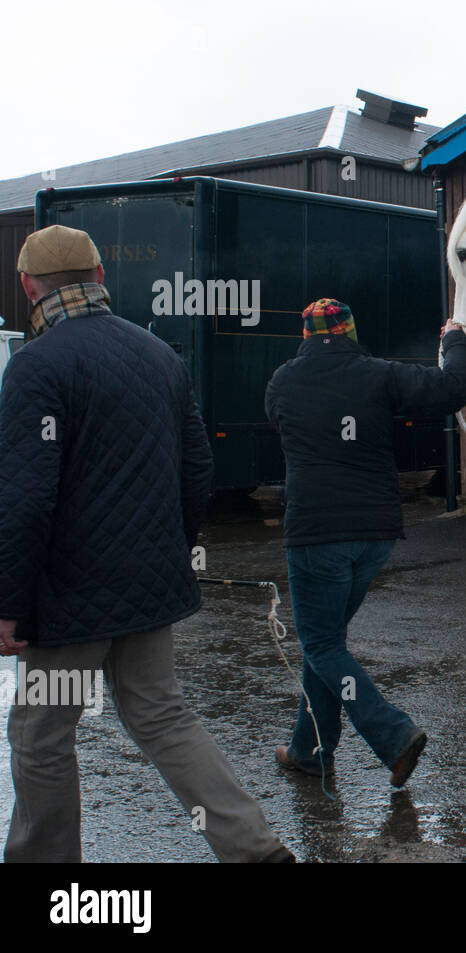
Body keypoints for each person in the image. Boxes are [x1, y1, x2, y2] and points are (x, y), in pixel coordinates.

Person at [0, 225, 293, 863]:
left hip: (68, 602)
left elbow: (26, 499)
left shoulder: (35, 366)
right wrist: (170, 554)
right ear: (100, 277)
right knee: (163, 717)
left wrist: (9, 603)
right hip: (147, 589)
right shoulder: (160, 357)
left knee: (42, 736)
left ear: (28, 287)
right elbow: (198, 473)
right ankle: (255, 850)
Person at [265, 298, 466, 788]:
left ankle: (393, 735)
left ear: (305, 335)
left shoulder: (282, 382)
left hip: (317, 534)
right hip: (376, 535)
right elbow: (452, 389)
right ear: (350, 331)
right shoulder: (380, 374)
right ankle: (309, 750)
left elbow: (280, 423)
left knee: (320, 643)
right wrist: (455, 338)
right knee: (327, 644)